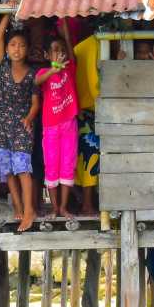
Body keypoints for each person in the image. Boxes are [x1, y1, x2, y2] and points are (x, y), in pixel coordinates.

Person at [0, 21, 40, 230]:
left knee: (22, 169)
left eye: (21, 45)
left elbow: (36, 103)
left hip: (21, 126)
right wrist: (6, 14)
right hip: (2, 124)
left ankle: (29, 211)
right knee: (8, 170)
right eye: (13, 45)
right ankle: (18, 207)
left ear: (27, 49)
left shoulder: (32, 73)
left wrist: (29, 118)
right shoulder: (2, 66)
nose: (16, 49)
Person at [35, 36, 79, 220]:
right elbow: (37, 82)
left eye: (61, 49)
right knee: (52, 167)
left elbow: (72, 55)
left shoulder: (69, 69)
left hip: (69, 124)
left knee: (68, 166)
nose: (59, 53)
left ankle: (62, 208)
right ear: (46, 54)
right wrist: (53, 69)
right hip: (51, 127)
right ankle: (54, 208)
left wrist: (65, 31)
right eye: (54, 50)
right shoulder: (44, 72)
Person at [69, 26, 103, 215]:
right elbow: (94, 85)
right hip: (88, 111)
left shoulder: (86, 45)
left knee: (83, 159)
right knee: (90, 157)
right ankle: (87, 205)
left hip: (79, 111)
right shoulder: (94, 45)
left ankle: (84, 201)